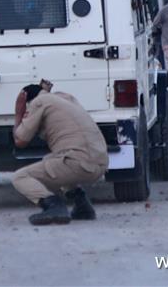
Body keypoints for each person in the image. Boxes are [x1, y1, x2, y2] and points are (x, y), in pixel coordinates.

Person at [11, 79, 109, 226]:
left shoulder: (38, 102)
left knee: (19, 177)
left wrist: (19, 112)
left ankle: (54, 206)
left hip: (79, 163)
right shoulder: (65, 98)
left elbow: (20, 141)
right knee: (52, 160)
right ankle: (82, 206)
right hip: (100, 163)